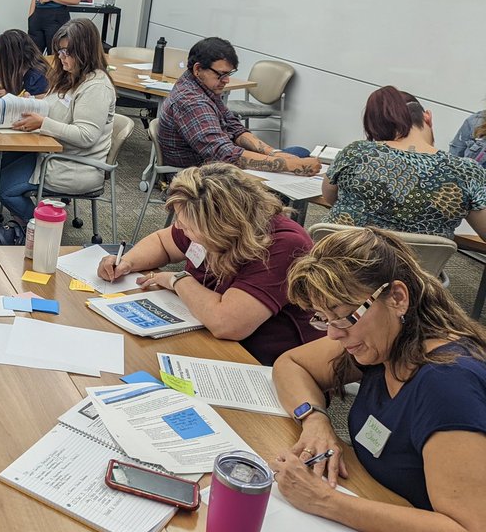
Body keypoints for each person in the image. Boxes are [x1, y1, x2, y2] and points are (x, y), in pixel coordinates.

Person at [272, 226, 486, 532]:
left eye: (344, 316)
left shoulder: (446, 385)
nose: (334, 334)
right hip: (393, 531)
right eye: (324, 319)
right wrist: (315, 419)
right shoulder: (384, 344)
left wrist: (327, 502)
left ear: (398, 298)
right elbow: (291, 365)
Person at [98, 162, 317, 365]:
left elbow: (227, 323)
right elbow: (163, 242)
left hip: (261, 362)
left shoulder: (284, 244)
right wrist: (127, 262)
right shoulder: (202, 222)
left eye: (187, 227)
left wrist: (176, 279)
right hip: (204, 336)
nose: (180, 229)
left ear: (223, 227)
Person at [324, 86, 486, 241]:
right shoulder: (466, 171)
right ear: (428, 117)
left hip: (339, 263)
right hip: (415, 268)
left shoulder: (356, 152)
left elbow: (330, 197)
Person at [0, 19, 115, 224]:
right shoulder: (73, 75)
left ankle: (42, 227)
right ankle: (26, 223)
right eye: (59, 52)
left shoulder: (97, 87)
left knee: (3, 189)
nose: (61, 58)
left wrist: (43, 123)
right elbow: (54, 103)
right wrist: (28, 102)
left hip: (73, 166)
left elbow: (85, 136)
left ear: (84, 51)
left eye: (66, 52)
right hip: (54, 153)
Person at [157, 37, 320, 176]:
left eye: (229, 74)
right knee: (293, 168)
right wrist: (291, 165)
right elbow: (224, 154)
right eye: (221, 74)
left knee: (298, 154)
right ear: (198, 69)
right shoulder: (191, 101)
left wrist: (273, 153)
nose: (226, 80)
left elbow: (234, 127)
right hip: (199, 179)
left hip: (216, 167)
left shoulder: (203, 86)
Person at [0, 28, 50, 99]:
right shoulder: (28, 68)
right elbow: (22, 91)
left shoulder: (35, 78)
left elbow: (28, 102)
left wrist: (9, 96)